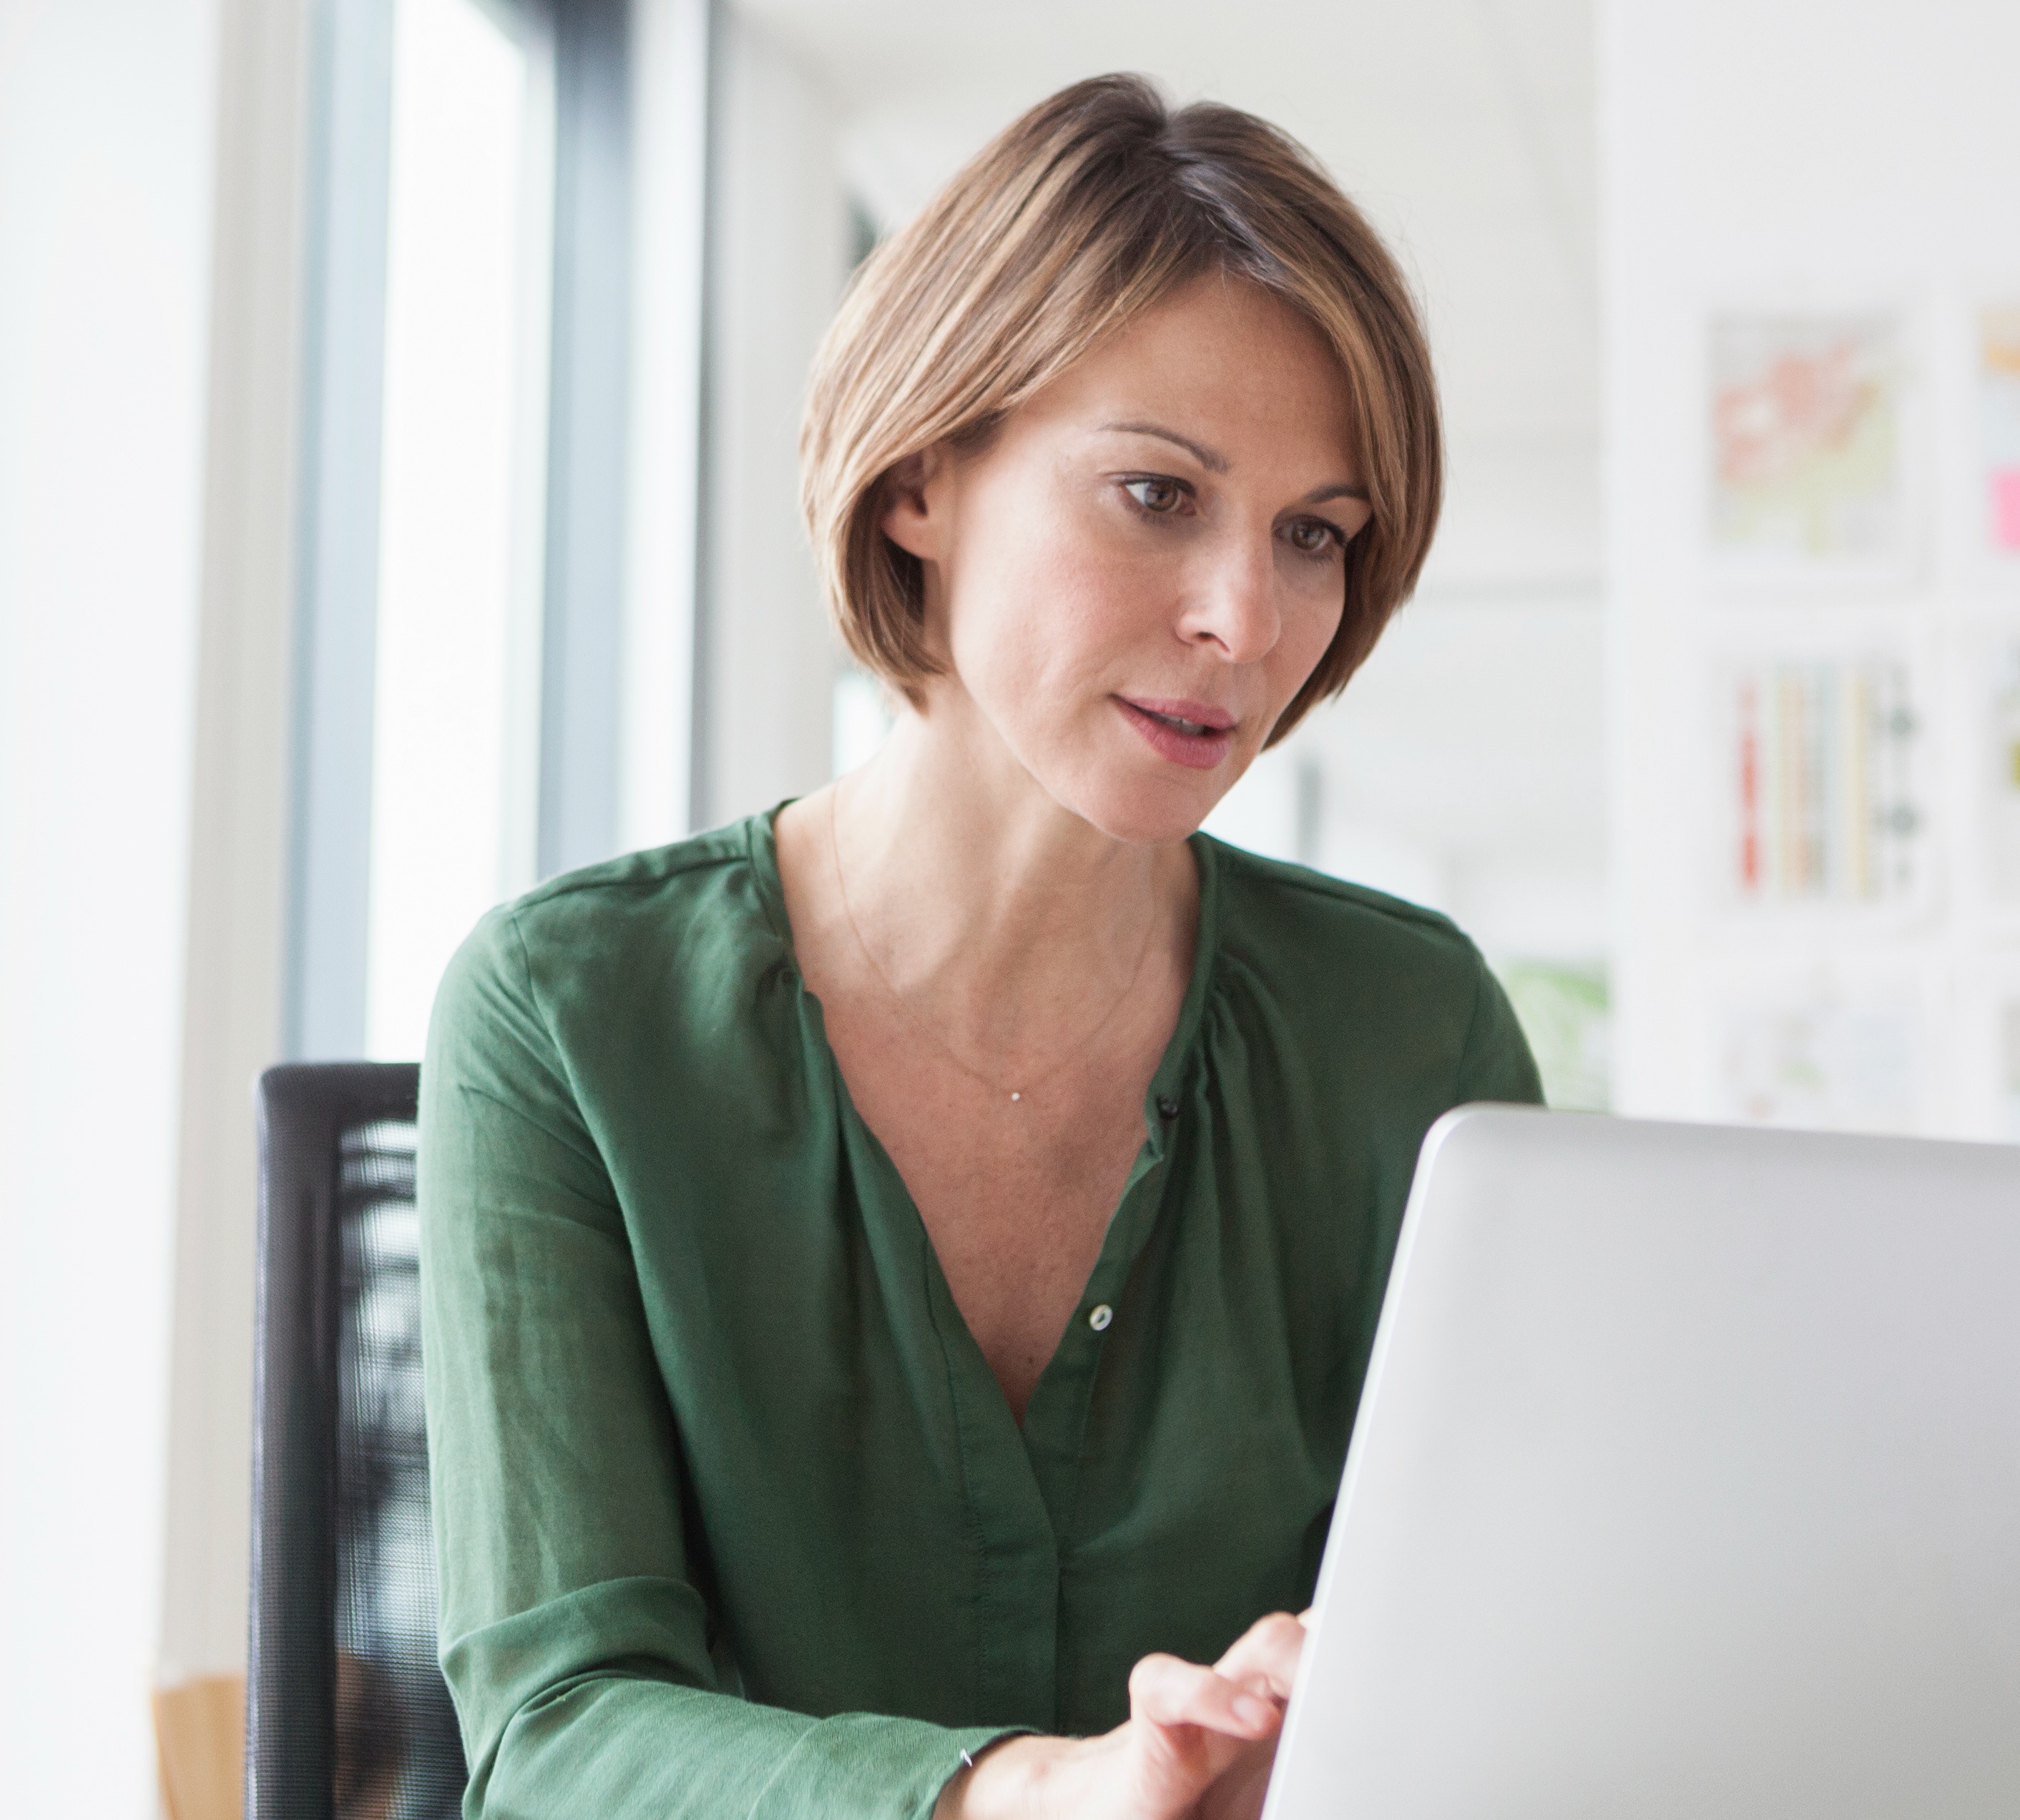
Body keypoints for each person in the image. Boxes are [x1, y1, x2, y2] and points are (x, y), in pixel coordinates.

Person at [420, 72, 1544, 1820]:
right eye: (1159, 494)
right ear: (922, 478)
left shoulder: (1412, 1037)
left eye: (1313, 534)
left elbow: (1509, 1653)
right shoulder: (572, 1015)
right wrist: (1025, 1797)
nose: (1246, 620)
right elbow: (559, 1738)